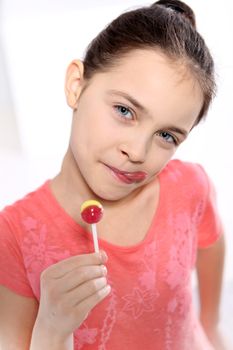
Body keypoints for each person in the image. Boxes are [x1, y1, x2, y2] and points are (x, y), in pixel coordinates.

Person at [0, 0, 227, 349]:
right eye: (124, 110)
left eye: (167, 136)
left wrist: (210, 328)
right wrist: (51, 329)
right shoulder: (13, 235)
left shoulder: (189, 187)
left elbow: (212, 247)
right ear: (77, 85)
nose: (137, 152)